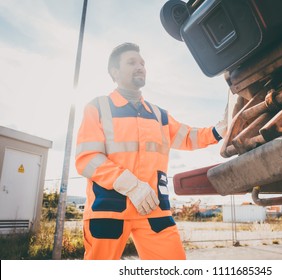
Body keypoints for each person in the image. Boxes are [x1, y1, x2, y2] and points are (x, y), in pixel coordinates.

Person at [75, 42, 227, 260]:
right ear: (114, 72)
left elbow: (189, 136)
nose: (140, 67)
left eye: (142, 63)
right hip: (108, 209)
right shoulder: (98, 107)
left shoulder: (159, 115)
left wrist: (217, 131)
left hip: (153, 208)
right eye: (132, 62)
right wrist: (132, 186)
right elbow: (87, 159)